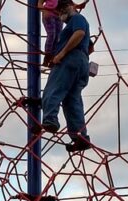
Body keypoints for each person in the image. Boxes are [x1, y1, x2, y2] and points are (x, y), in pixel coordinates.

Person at [41, 0, 91, 152]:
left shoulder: (77, 19)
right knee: (72, 100)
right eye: (58, 11)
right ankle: (80, 137)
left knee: (53, 90)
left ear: (70, 7)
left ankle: (50, 120)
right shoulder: (73, 23)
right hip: (82, 64)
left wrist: (61, 53)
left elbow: (79, 33)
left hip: (69, 60)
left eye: (62, 9)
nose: (60, 13)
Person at [38, 0, 63, 67]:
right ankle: (48, 55)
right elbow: (39, 3)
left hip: (59, 16)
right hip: (49, 14)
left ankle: (53, 58)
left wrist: (77, 6)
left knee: (58, 37)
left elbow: (70, 3)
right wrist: (44, 11)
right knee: (52, 34)